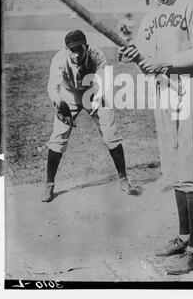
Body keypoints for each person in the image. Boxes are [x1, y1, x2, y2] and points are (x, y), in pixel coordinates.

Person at [122, 0, 193, 274]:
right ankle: (184, 237)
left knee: (191, 169)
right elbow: (148, 63)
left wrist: (167, 63)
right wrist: (137, 58)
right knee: (175, 170)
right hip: (164, 93)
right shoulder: (148, 19)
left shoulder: (190, 8)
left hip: (189, 89)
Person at [42, 29, 138, 202]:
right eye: (72, 50)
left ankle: (124, 179)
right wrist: (60, 104)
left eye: (80, 49)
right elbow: (52, 88)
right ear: (66, 49)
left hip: (93, 92)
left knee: (111, 134)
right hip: (68, 94)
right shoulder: (59, 59)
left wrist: (96, 99)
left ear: (86, 46)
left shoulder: (97, 55)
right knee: (58, 136)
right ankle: (49, 185)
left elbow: (103, 83)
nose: (76, 53)